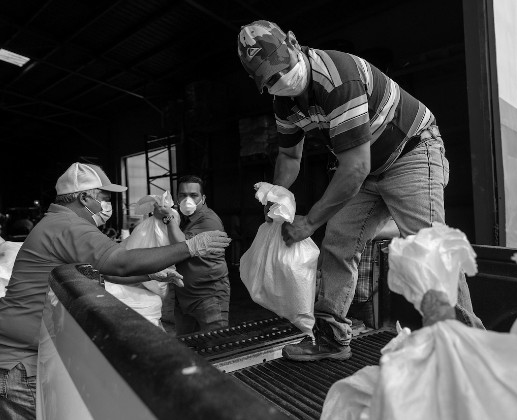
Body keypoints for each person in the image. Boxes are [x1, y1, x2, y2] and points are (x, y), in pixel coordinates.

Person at [237, 20, 483, 362]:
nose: (282, 81)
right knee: (338, 242)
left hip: (410, 151)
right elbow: (291, 156)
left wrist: (309, 223)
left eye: (284, 69)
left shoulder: (339, 78)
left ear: (294, 43)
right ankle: (331, 338)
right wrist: (276, 194)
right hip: (366, 164)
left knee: (430, 250)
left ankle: (471, 350)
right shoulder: (284, 103)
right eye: (271, 79)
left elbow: (354, 168)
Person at [0, 163, 230, 419]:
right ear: (84, 197)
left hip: (23, 356)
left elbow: (102, 270)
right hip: (20, 367)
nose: (108, 204)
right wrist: (190, 247)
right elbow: (120, 262)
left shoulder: (58, 222)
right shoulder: (67, 225)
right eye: (104, 197)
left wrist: (150, 274)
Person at [153, 175, 230, 335]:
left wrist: (167, 218)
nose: (187, 200)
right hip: (184, 297)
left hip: (208, 296)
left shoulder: (208, 220)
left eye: (193, 195)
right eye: (183, 195)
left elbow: (182, 247)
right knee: (187, 347)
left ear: (203, 198)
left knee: (217, 345)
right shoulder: (184, 219)